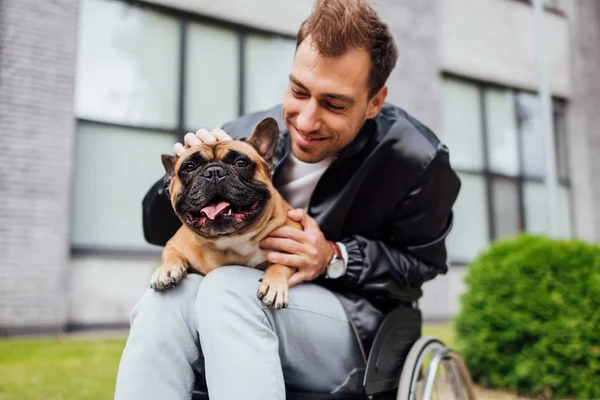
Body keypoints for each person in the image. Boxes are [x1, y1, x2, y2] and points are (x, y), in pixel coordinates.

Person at [114, 0, 460, 399]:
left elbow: (421, 263)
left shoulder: (416, 159)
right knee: (162, 301)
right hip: (231, 312)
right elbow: (155, 229)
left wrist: (335, 257)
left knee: (228, 288)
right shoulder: (243, 134)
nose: (307, 120)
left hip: (356, 328)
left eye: (334, 103)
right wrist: (182, 176)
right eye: (298, 91)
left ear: (375, 102)